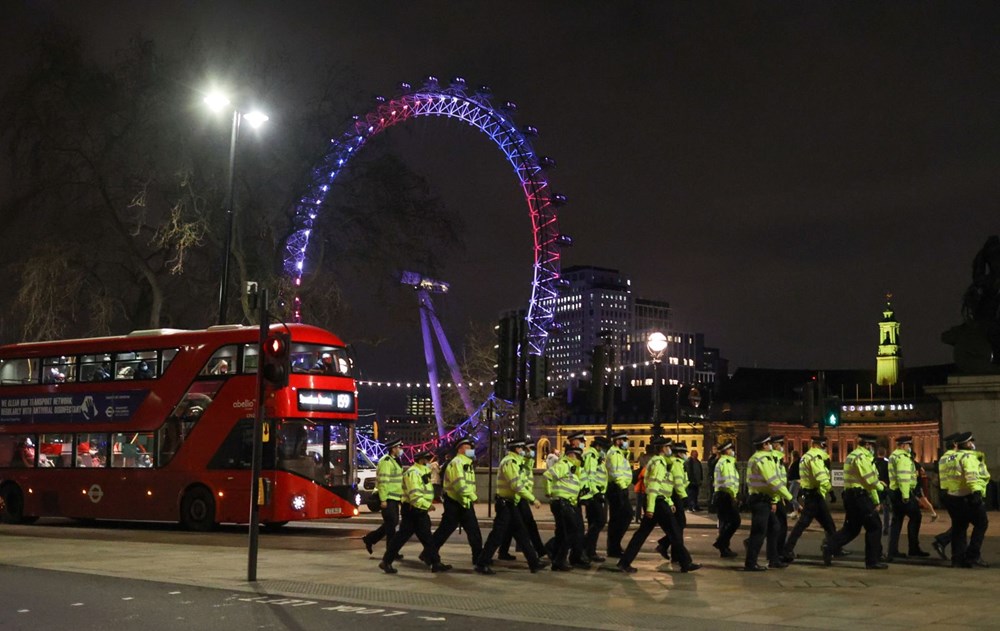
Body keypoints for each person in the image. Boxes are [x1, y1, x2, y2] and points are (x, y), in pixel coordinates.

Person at [616, 436, 700, 574]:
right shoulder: (658, 463)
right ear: (663, 448)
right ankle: (686, 562)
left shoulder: (660, 462)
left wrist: (670, 502)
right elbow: (654, 486)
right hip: (657, 503)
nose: (670, 450)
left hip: (660, 502)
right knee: (674, 532)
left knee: (642, 534)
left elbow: (663, 487)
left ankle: (624, 563)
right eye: (668, 447)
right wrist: (650, 508)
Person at [475, 439, 549, 574]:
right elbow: (516, 485)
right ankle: (482, 563)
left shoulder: (516, 462)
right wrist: (532, 499)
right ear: (516, 449)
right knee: (498, 535)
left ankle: (534, 562)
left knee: (521, 533)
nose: (524, 451)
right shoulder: (510, 462)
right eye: (522, 449)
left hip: (510, 503)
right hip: (505, 504)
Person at [379, 450, 451, 574]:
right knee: (406, 537)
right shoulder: (413, 473)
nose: (430, 462)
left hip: (418, 510)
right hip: (414, 510)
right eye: (428, 459)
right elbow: (414, 494)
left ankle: (435, 562)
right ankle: (386, 561)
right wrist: (426, 505)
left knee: (425, 537)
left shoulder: (424, 472)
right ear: (421, 460)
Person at [826, 434, 887, 569]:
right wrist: (882, 487)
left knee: (852, 528)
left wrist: (876, 501)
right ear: (867, 445)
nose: (873, 450)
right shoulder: (862, 457)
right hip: (860, 497)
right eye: (872, 447)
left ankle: (829, 546)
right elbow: (870, 480)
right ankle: (872, 561)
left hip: (851, 496)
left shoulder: (851, 456)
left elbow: (867, 483)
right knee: (874, 526)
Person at [782, 436, 838, 563]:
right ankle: (830, 549)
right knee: (822, 525)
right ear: (821, 445)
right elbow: (821, 477)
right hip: (815, 496)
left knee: (825, 525)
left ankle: (832, 549)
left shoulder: (805, 457)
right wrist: (831, 491)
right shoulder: (816, 457)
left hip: (810, 494)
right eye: (824, 446)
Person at [744, 434, 793, 571]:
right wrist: (790, 498)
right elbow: (773, 481)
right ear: (765, 445)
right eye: (769, 444)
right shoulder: (762, 459)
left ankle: (774, 559)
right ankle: (751, 563)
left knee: (774, 527)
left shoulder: (760, 458)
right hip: (760, 500)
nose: (770, 446)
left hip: (764, 498)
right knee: (759, 532)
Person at [431, 437, 483, 566]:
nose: (471, 449)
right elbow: (459, 484)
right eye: (467, 447)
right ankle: (428, 554)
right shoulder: (457, 463)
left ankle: (479, 559)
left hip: (463, 502)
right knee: (445, 531)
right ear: (460, 449)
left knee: (473, 532)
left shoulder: (467, 463)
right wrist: (473, 497)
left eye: (471, 447)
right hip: (455, 502)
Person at [497, 441, 547, 562]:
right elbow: (517, 484)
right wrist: (532, 499)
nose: (531, 452)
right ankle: (538, 554)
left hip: (520, 498)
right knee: (526, 527)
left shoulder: (524, 463)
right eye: (528, 449)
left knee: (510, 528)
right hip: (517, 498)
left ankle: (502, 552)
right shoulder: (515, 462)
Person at [949, 432, 990, 568]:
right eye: (971, 442)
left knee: (959, 528)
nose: (973, 444)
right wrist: (976, 492)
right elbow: (971, 476)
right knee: (981, 523)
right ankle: (973, 555)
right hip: (968, 496)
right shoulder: (969, 457)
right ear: (967, 444)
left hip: (954, 496)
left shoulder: (952, 456)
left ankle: (957, 559)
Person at [544, 444, 588, 571]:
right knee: (572, 531)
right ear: (572, 455)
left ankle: (557, 558)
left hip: (567, 503)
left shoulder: (572, 467)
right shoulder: (564, 464)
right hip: (562, 503)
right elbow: (547, 475)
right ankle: (559, 560)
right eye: (578, 456)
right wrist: (549, 492)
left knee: (564, 532)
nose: (580, 459)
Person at [886, 436, 930, 560]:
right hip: (903, 493)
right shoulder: (903, 458)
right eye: (909, 445)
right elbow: (904, 478)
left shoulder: (893, 456)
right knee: (916, 517)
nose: (909, 448)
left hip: (894, 492)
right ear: (904, 445)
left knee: (897, 521)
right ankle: (913, 548)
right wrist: (906, 496)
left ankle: (892, 550)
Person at [362, 439, 404, 558]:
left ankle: (370, 539)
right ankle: (391, 552)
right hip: (387, 498)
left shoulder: (395, 460)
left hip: (394, 497)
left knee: (391, 524)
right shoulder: (386, 461)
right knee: (391, 525)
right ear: (393, 449)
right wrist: (383, 499)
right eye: (399, 447)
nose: (401, 450)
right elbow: (383, 481)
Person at [655, 441, 689, 562]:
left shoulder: (674, 462)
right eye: (684, 452)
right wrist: (684, 497)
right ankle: (668, 548)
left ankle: (668, 549)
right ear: (679, 453)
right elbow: (678, 482)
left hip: (673, 495)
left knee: (677, 525)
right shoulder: (677, 463)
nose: (686, 455)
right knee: (679, 525)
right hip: (675, 496)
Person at [580, 435, 610, 563]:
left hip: (595, 494)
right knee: (600, 521)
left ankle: (590, 551)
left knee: (594, 523)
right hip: (593, 495)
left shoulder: (596, 457)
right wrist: (596, 492)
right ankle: (585, 547)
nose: (606, 451)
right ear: (598, 446)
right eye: (604, 448)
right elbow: (589, 476)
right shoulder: (591, 456)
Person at [932, 433, 961, 560]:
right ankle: (943, 541)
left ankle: (945, 543)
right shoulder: (954, 457)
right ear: (955, 444)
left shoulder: (944, 458)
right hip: (954, 493)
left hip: (946, 493)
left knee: (960, 522)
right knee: (962, 523)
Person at [604, 431, 633, 558]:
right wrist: (622, 487)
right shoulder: (615, 453)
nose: (626, 442)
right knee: (624, 516)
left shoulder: (620, 454)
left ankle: (614, 546)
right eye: (624, 439)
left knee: (618, 519)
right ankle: (614, 546)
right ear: (617, 441)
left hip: (619, 488)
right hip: (617, 489)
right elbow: (616, 473)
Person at [712, 440, 741, 557]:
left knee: (726, 522)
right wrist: (733, 495)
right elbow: (728, 481)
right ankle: (721, 543)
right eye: (731, 449)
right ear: (727, 451)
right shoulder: (726, 462)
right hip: (725, 495)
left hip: (724, 495)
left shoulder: (726, 462)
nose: (733, 451)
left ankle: (724, 547)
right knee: (734, 521)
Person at [769, 435, 791, 557]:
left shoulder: (778, 459)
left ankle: (777, 553)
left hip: (778, 497)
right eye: (781, 445)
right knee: (780, 526)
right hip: (775, 498)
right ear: (776, 445)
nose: (782, 448)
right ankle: (778, 553)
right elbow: (773, 480)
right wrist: (775, 500)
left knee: (774, 526)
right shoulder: (774, 459)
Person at [875, 446, 890, 536]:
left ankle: (876, 525)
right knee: (886, 509)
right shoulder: (888, 463)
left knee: (876, 506)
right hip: (885, 487)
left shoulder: (873, 462)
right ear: (885, 453)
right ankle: (886, 528)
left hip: (876, 486)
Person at [787, 450, 802, 520]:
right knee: (794, 497)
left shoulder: (798, 462)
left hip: (796, 481)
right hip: (793, 481)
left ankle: (800, 507)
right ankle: (796, 512)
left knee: (790, 496)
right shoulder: (794, 462)